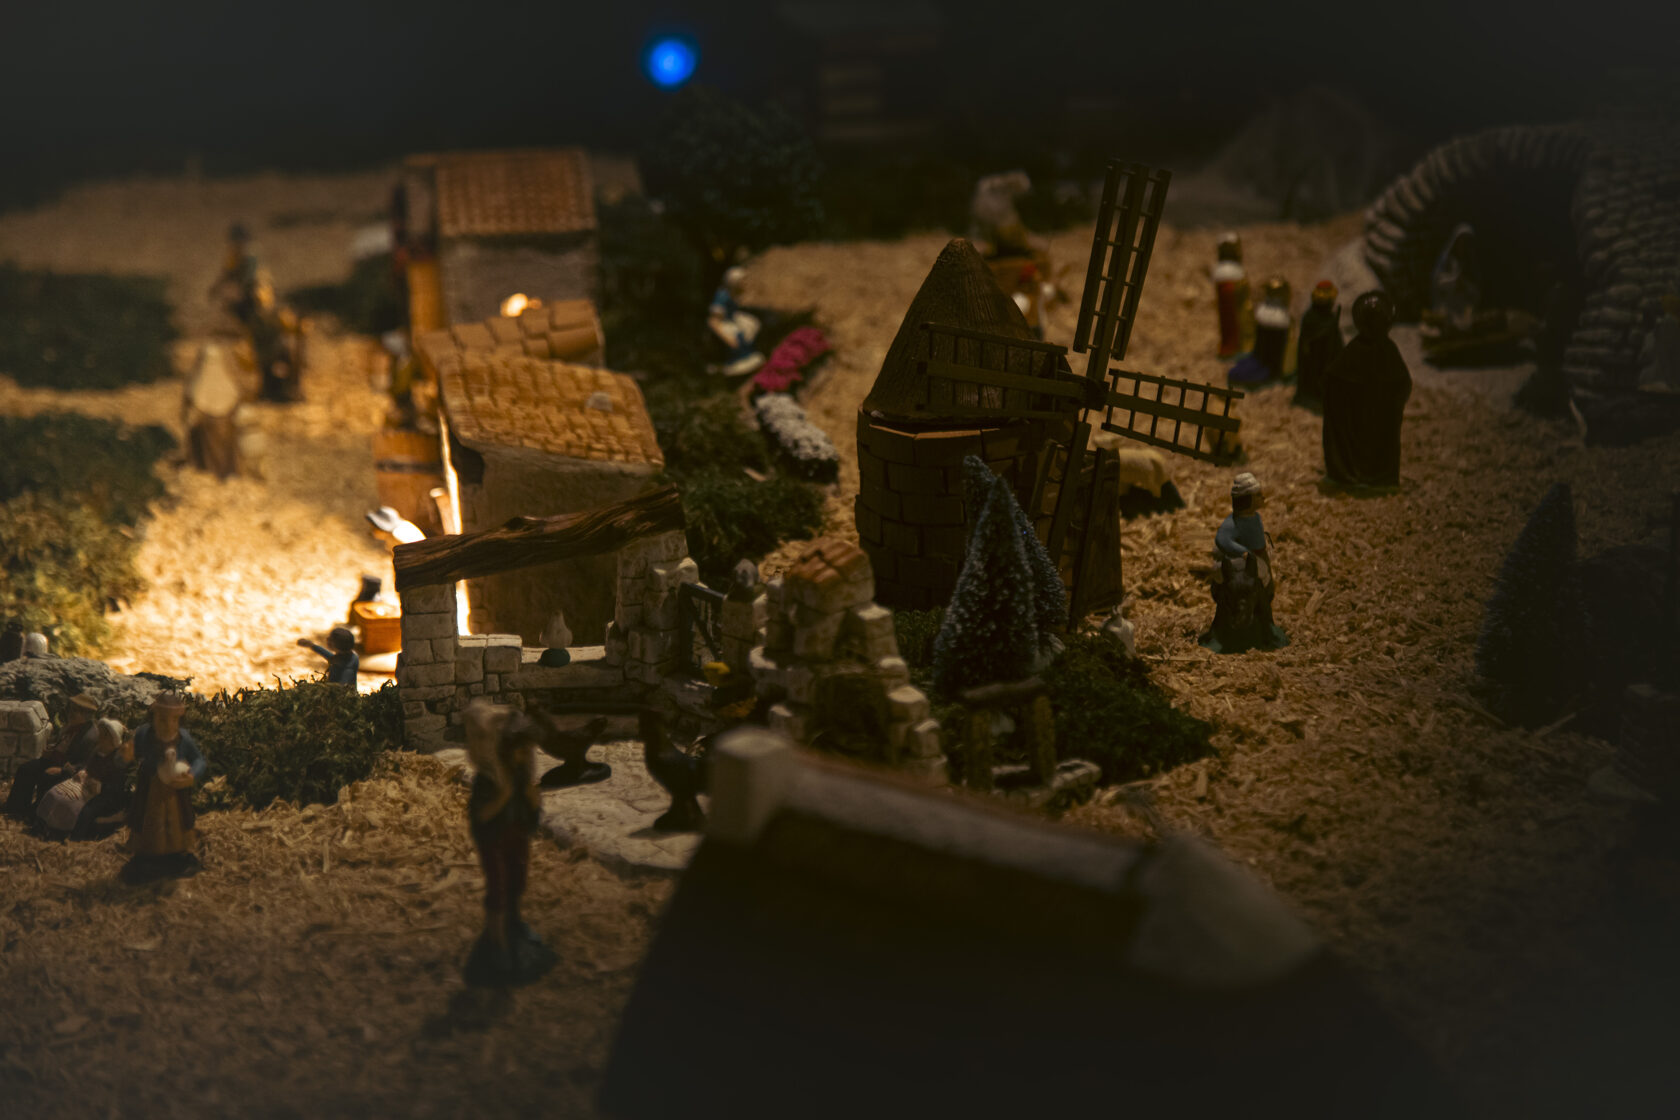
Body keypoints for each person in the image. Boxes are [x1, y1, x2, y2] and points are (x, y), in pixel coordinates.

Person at [462, 700, 557, 986]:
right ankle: (497, 941)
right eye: (520, 749)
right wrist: (503, 797)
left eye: (527, 750)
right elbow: (481, 815)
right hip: (495, 840)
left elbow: (530, 812)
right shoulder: (490, 779)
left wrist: (531, 801)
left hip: (516, 835)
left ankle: (514, 924)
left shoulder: (520, 775)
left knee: (517, 881)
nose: (525, 755)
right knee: (499, 888)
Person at [1323, 290, 1413, 488]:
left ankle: (1370, 477)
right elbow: (1334, 380)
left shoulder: (1381, 350)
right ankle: (1362, 476)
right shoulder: (1376, 350)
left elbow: (1402, 384)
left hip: (1375, 417)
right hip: (1364, 417)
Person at [122, 692, 206, 884]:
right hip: (150, 787)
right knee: (149, 821)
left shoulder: (183, 739)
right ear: (153, 717)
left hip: (175, 790)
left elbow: (199, 759)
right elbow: (130, 755)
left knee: (176, 822)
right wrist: (125, 757)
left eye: (174, 720)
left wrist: (192, 776)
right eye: (162, 719)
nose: (168, 725)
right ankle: (148, 855)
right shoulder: (144, 735)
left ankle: (176, 855)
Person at [1201, 473, 1287, 653]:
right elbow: (1222, 540)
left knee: (1264, 588)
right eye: (1258, 495)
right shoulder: (1231, 523)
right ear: (1247, 500)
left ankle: (1266, 627)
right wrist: (1243, 552)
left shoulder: (1254, 518)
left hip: (1256, 560)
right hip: (1239, 564)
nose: (1263, 497)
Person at [4, 692, 101, 818]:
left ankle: (37, 812)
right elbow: (64, 745)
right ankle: (16, 807)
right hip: (55, 761)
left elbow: (84, 764)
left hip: (69, 771)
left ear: (85, 714)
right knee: (26, 769)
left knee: (47, 776)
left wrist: (62, 769)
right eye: (71, 709)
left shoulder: (90, 737)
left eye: (75, 711)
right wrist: (52, 752)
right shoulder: (72, 726)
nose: (70, 713)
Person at [36, 718, 130, 837]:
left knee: (72, 805)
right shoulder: (97, 750)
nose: (100, 738)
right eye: (101, 734)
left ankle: (68, 835)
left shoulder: (118, 760)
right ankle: (44, 826)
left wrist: (100, 786)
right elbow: (86, 765)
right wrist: (77, 770)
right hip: (83, 782)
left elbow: (116, 787)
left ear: (113, 740)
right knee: (55, 794)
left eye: (104, 736)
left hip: (100, 793)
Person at [1293, 280, 1344, 412]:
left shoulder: (1330, 318)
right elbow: (1308, 340)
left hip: (1327, 357)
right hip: (1313, 359)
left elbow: (1335, 342)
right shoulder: (1310, 317)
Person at [707, 266, 764, 376]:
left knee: (752, 325)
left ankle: (748, 355)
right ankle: (736, 361)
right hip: (723, 323)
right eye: (743, 281)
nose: (745, 284)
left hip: (731, 318)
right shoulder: (722, 297)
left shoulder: (733, 293)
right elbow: (713, 321)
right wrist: (727, 336)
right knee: (738, 335)